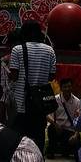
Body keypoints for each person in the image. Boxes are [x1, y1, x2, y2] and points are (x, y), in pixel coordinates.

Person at [8, 19, 57, 153]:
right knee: (38, 139)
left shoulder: (17, 50)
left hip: (21, 104)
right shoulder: (50, 50)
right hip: (40, 105)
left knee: (19, 141)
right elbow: (51, 76)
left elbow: (14, 76)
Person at [47, 77, 81, 158]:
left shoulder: (77, 101)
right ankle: (51, 151)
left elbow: (79, 120)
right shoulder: (55, 99)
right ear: (61, 88)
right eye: (65, 87)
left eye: (69, 86)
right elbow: (47, 114)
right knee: (51, 128)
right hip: (57, 128)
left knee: (76, 144)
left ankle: (66, 149)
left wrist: (76, 134)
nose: (67, 89)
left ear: (72, 87)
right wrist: (55, 124)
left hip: (70, 130)